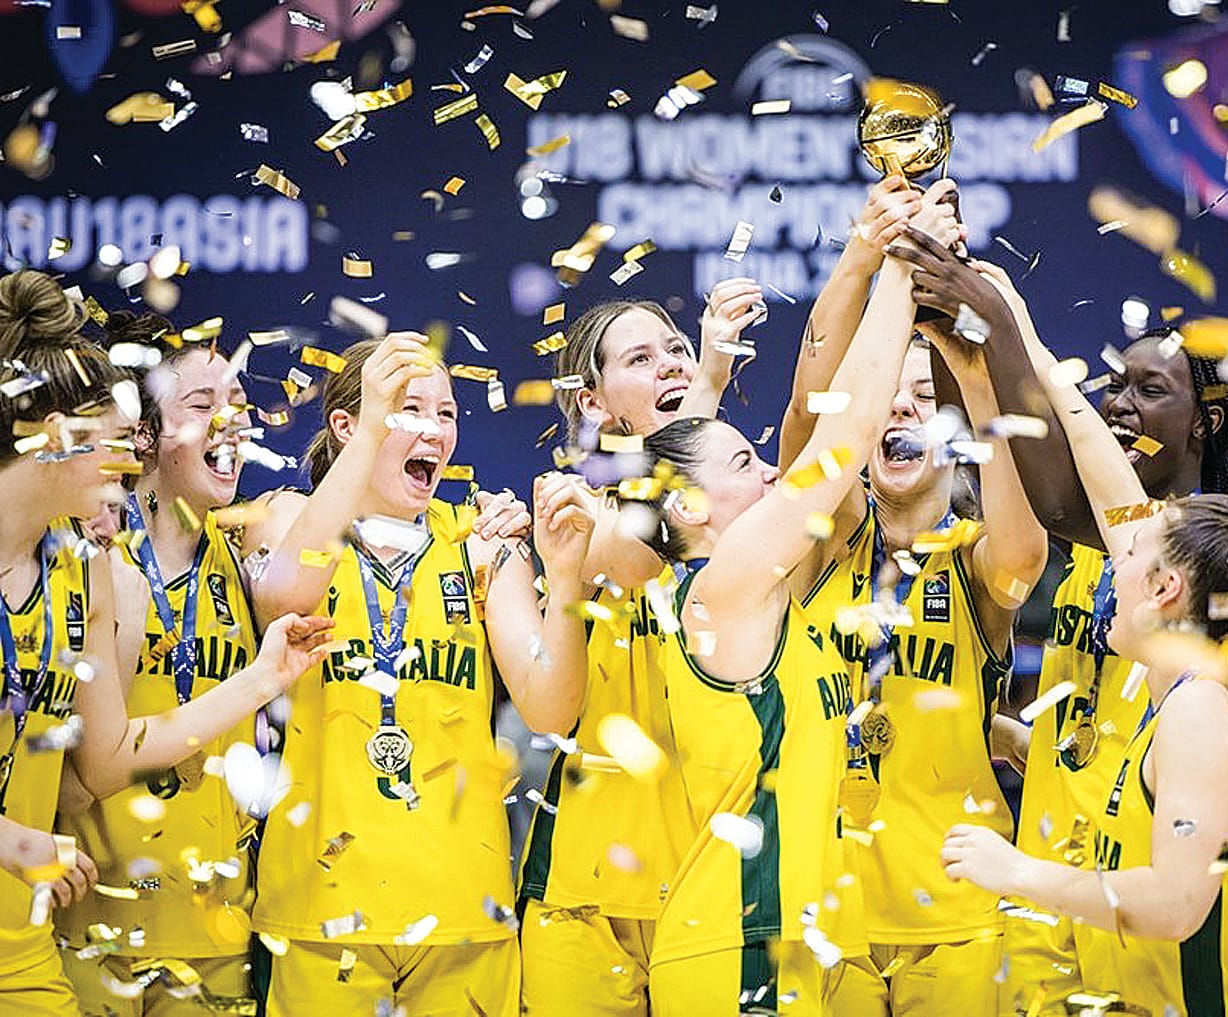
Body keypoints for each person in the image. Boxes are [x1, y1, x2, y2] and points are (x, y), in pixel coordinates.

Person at [893, 227, 1228, 1010]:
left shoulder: (1204, 544)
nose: (1120, 402)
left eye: (1151, 390)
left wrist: (998, 316)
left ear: (1205, 423)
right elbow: (993, 442)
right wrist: (957, 342)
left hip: (1135, 898)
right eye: (1116, 384)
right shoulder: (1096, 553)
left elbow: (1053, 490)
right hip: (1046, 889)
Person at [938, 314, 1228, 1015]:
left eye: (1131, 563)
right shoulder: (1189, 700)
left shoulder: (1206, 711)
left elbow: (1177, 904)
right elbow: (1114, 487)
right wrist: (1016, 336)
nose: (1114, 571)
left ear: (1166, 589)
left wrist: (1020, 871)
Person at [617, 222, 938, 1015]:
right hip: (737, 945)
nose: (768, 472)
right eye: (741, 464)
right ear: (687, 506)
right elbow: (842, 435)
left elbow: (821, 417)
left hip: (803, 939)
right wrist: (896, 266)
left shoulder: (768, 594)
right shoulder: (718, 589)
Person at [0, 270, 329, 1016]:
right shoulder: (96, 561)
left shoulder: (89, 573)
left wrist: (261, 676)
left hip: (32, 949)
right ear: (55, 436)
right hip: (80, 928)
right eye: (117, 442)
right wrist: (17, 842)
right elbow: (83, 787)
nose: (130, 461)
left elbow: (109, 753)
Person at [245, 331, 588, 1016]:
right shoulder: (285, 519)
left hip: (464, 909)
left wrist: (568, 569)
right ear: (350, 424)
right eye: (410, 408)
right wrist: (374, 426)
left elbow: (551, 709)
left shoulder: (482, 544)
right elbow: (284, 596)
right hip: (320, 913)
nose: (434, 428)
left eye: (448, 413)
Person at [780, 178, 1048, 1015]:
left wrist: (972, 382)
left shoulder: (973, 561)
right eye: (888, 394)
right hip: (828, 910)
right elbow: (807, 412)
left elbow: (1026, 552)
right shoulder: (823, 543)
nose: (901, 403)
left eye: (921, 398)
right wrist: (865, 253)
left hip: (958, 910)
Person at [516, 277, 762, 1016]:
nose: (672, 366)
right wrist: (711, 373)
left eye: (679, 352)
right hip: (588, 889)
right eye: (642, 359)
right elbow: (644, 547)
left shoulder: (744, 505)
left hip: (710, 880)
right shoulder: (573, 506)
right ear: (593, 402)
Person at [54, 311, 262, 1015]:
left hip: (215, 934)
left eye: (237, 405)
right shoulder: (87, 553)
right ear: (143, 434)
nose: (229, 422)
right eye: (203, 406)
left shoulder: (253, 558)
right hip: (88, 928)